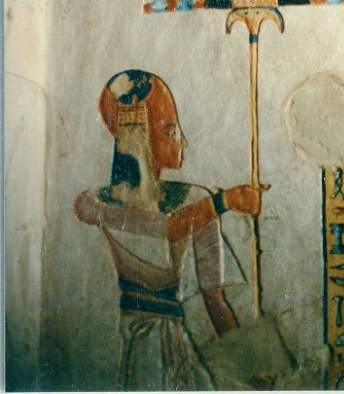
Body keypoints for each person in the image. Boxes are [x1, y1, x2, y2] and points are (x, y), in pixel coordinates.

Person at [74, 69, 265, 390]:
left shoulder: (197, 201)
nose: (183, 141)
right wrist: (225, 201)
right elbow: (167, 228)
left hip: (180, 342)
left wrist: (250, 366)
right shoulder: (97, 204)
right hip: (142, 341)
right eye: (171, 130)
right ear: (138, 138)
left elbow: (214, 299)